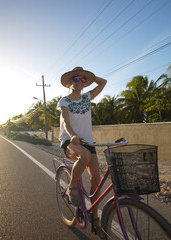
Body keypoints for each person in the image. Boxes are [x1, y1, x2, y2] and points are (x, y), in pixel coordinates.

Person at [57, 66, 107, 235]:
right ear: (69, 83)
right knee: (84, 155)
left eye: (82, 79)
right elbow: (66, 121)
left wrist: (89, 77)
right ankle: (72, 188)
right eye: (75, 79)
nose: (79, 82)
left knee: (96, 180)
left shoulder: (87, 97)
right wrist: (72, 136)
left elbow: (103, 82)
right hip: (69, 141)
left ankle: (94, 215)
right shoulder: (65, 101)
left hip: (88, 142)